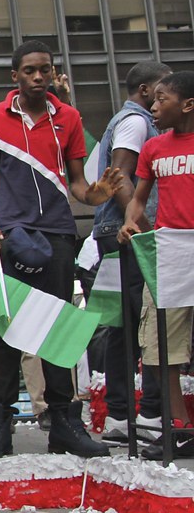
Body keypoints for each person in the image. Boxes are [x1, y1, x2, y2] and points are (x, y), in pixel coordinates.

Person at [0, 39, 123, 460]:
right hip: (11, 235)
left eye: (45, 69)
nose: (39, 77)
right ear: (15, 76)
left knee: (58, 329)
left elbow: (77, 182)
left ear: (52, 73)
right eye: (30, 71)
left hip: (57, 233)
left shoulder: (69, 118)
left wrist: (95, 196)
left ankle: (64, 424)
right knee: (9, 330)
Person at [91, 61, 172, 443]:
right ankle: (135, 415)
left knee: (124, 323)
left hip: (117, 230)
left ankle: (122, 417)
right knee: (141, 322)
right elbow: (119, 175)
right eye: (158, 92)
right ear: (144, 91)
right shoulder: (137, 123)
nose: (160, 102)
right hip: (129, 233)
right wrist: (137, 226)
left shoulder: (129, 120)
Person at [118, 71, 194, 459]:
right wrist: (132, 221)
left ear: (187, 104)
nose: (153, 106)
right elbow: (138, 197)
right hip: (170, 253)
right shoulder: (154, 148)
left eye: (162, 99)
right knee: (163, 344)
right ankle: (179, 429)